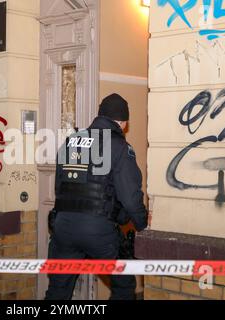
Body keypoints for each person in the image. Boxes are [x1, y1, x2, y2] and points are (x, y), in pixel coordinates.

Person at [45, 93, 148, 300]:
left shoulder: (71, 141)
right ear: (123, 122)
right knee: (124, 285)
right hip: (99, 230)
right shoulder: (120, 147)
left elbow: (59, 186)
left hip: (63, 227)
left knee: (58, 290)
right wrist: (141, 222)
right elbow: (130, 196)